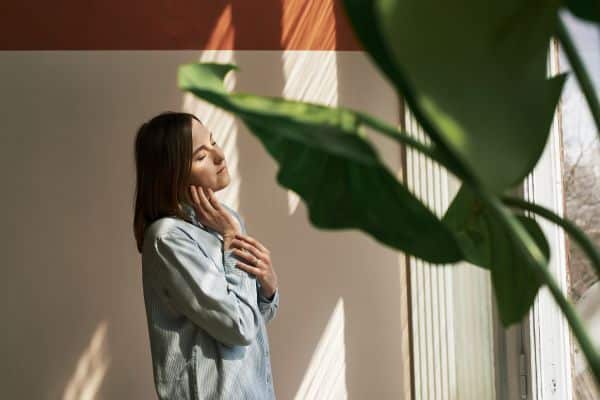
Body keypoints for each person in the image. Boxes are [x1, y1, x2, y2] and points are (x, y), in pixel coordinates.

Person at [132, 111, 280, 399]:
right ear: (172, 174)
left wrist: (269, 287)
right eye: (201, 156)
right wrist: (231, 236)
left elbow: (255, 321)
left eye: (213, 142)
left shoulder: (225, 222)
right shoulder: (168, 238)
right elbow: (239, 327)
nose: (220, 156)